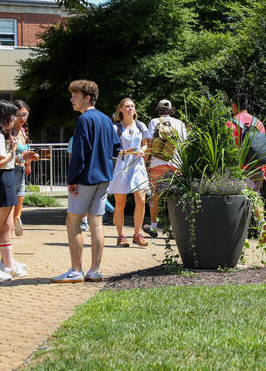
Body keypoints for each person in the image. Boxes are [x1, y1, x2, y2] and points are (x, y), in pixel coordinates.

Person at [51, 80, 120, 283]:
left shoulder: (84, 120)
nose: (72, 100)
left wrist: (72, 179)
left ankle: (75, 271)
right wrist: (108, 169)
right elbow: (116, 148)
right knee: (96, 222)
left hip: (85, 179)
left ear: (87, 97)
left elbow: (79, 153)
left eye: (75, 96)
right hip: (103, 178)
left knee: (73, 221)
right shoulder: (107, 119)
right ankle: (94, 270)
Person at [0, 100, 31, 281]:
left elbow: (5, 161)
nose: (15, 119)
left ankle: (7, 264)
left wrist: (17, 156)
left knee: (6, 226)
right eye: (13, 115)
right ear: (4, 116)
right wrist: (14, 150)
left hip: (6, 179)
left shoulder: (2, 136)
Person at [108, 97, 150, 247]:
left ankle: (137, 234)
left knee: (141, 200)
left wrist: (141, 151)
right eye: (127, 106)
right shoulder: (115, 128)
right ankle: (120, 236)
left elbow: (145, 145)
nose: (130, 108)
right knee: (121, 203)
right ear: (120, 109)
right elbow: (112, 149)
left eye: (132, 106)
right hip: (122, 166)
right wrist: (125, 151)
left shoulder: (140, 125)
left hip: (138, 167)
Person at [145, 99, 187, 238]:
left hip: (157, 163)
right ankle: (172, 229)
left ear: (158, 110)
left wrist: (146, 163)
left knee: (155, 195)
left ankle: (153, 226)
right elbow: (185, 144)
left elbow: (150, 143)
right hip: (175, 164)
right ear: (171, 110)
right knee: (173, 195)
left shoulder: (154, 122)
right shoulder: (180, 124)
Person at [10, 100, 39, 237]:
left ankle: (14, 223)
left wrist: (30, 162)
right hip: (11, 170)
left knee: (20, 200)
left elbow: (26, 150)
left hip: (21, 170)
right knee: (10, 202)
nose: (23, 118)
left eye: (25, 114)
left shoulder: (23, 131)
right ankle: (7, 228)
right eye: (19, 114)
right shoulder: (8, 132)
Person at [230, 93, 266, 193]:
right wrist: (264, 167)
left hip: (238, 170)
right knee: (255, 199)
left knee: (238, 203)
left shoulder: (230, 124)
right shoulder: (258, 123)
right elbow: (262, 147)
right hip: (257, 169)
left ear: (234, 105)